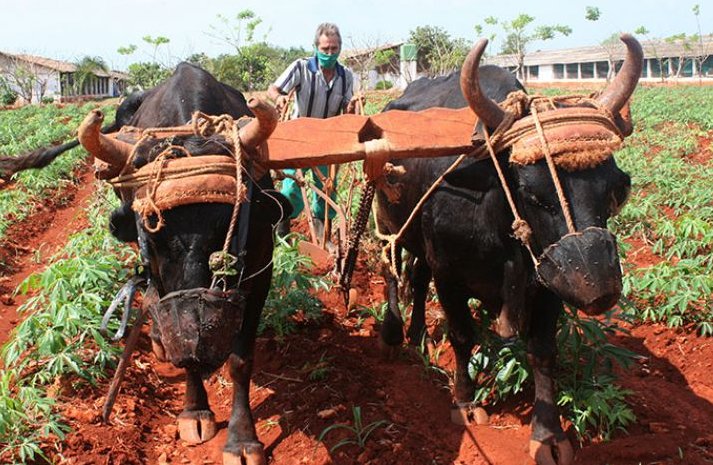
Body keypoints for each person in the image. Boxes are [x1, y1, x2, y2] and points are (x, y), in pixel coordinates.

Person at [267, 22, 358, 239]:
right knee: (290, 189)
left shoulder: (346, 75)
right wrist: (279, 98)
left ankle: (321, 237)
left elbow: (347, 107)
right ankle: (282, 234)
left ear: (339, 48)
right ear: (316, 47)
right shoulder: (301, 67)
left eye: (334, 49)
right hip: (298, 138)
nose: (329, 53)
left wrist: (352, 107)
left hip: (326, 141)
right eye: (325, 49)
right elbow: (273, 89)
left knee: (327, 191)